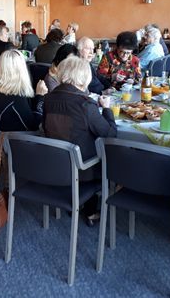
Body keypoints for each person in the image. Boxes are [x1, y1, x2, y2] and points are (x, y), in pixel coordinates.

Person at [43, 56, 117, 226]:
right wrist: (107, 110)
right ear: (84, 77)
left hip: (54, 162)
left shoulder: (48, 98)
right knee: (102, 152)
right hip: (82, 169)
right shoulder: (85, 104)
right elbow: (110, 135)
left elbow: (46, 128)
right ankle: (90, 209)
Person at [0, 49, 47, 131]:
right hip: (11, 140)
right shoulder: (17, 100)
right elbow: (34, 126)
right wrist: (40, 96)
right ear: (22, 70)